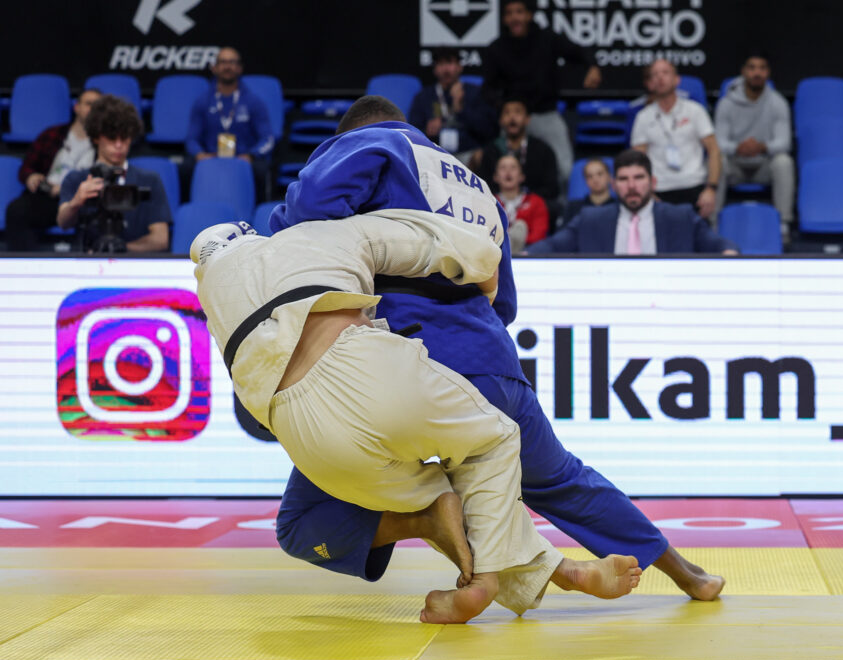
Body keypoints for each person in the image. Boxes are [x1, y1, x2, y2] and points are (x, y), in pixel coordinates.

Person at [270, 95, 725, 604]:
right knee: (563, 480)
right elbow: (503, 302)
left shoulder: (374, 143)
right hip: (491, 356)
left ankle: (442, 530)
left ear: (346, 137)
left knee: (305, 519)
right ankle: (685, 572)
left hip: (401, 364)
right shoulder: (476, 185)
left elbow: (302, 217)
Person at [192, 217, 640, 624]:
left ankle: (559, 572)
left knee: (436, 502)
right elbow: (436, 243)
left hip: (303, 433)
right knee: (492, 443)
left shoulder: (214, 301)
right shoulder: (312, 235)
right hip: (363, 368)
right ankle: (485, 580)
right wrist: (483, 277)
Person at [528, 149, 738, 255]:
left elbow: (719, 244)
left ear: (652, 182)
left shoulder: (681, 216)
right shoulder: (589, 219)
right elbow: (553, 245)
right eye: (623, 179)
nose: (631, 186)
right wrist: (526, 255)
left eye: (638, 178)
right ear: (613, 185)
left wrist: (729, 252)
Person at [482, 0, 601, 184]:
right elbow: (487, 88)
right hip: (513, 118)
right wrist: (503, 108)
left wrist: (592, 66)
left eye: (519, 12)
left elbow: (579, 51)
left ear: (529, 15)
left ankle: (558, 203)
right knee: (503, 169)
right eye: (509, 13)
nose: (514, 17)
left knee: (565, 169)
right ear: (504, 19)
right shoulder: (496, 48)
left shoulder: (547, 39)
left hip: (545, 114)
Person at [56, 95, 171, 253]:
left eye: (124, 138)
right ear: (96, 137)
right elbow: (63, 222)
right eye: (111, 138)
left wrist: (122, 249)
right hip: (88, 263)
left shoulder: (150, 180)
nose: (118, 145)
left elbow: (160, 239)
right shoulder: (76, 179)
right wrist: (76, 202)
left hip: (135, 264)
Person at [4, 89, 101, 252]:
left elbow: (106, 175)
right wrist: (31, 176)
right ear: (76, 107)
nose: (93, 109)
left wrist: (69, 190)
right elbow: (26, 167)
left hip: (82, 201)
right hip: (48, 197)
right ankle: (25, 264)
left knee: (98, 217)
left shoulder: (104, 141)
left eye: (98, 106)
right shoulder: (53, 134)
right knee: (17, 210)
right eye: (88, 104)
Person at [714, 53, 795, 238]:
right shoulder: (726, 103)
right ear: (743, 72)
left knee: (784, 162)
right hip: (735, 165)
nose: (757, 73)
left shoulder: (778, 103)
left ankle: (783, 224)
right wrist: (738, 147)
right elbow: (719, 142)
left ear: (768, 73)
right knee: (717, 160)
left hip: (763, 165)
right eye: (752, 68)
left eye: (762, 68)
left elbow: (784, 142)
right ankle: (713, 223)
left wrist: (761, 147)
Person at [630, 59, 721, 218]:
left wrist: (711, 188)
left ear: (677, 80)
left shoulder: (695, 111)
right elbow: (638, 159)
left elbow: (714, 151)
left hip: (694, 187)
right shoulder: (643, 117)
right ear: (649, 84)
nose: (660, 78)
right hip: (659, 190)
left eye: (665, 72)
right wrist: (647, 192)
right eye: (655, 74)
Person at [184, 46, 274, 201]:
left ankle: (260, 211)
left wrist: (251, 155)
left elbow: (268, 139)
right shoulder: (202, 101)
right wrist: (200, 155)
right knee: (186, 168)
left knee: (260, 170)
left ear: (240, 68)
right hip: (211, 157)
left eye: (232, 62)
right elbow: (191, 139)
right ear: (214, 68)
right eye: (223, 62)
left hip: (243, 157)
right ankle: (190, 210)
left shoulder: (254, 102)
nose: (227, 67)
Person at [407, 47, 497, 165]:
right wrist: (426, 131)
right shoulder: (424, 97)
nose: (446, 69)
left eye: (449, 63)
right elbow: (412, 132)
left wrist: (461, 109)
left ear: (460, 67)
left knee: (482, 156)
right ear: (435, 69)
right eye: (441, 64)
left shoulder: (475, 93)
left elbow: (488, 130)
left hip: (469, 154)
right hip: (435, 156)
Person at [476, 99, 560, 207]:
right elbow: (483, 187)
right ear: (501, 120)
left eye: (518, 112)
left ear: (527, 119)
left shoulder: (543, 150)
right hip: (497, 206)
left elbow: (552, 188)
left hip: (533, 207)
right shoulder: (491, 150)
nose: (512, 117)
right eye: (507, 113)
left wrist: (524, 200)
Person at [494, 153, 548, 252]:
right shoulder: (488, 202)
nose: (508, 171)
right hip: (495, 252)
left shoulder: (536, 202)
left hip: (527, 253)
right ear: (495, 177)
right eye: (503, 168)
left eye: (513, 167)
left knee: (520, 226)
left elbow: (539, 235)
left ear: (521, 176)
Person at [562, 157, 615, 226]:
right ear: (585, 180)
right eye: (590, 176)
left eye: (600, 174)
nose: (595, 179)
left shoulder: (619, 207)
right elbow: (565, 230)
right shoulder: (574, 208)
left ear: (609, 177)